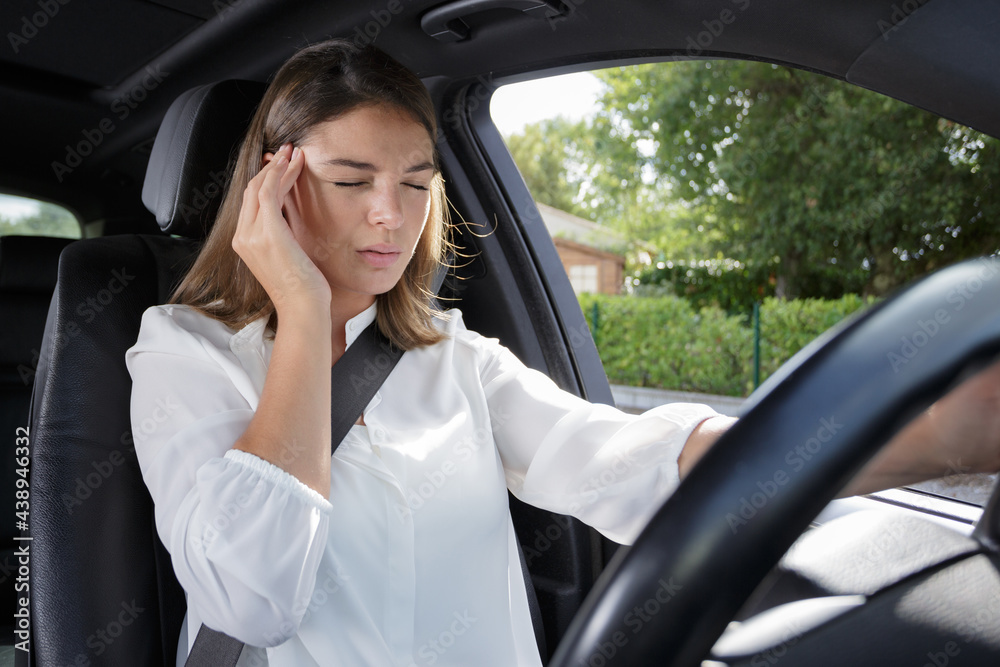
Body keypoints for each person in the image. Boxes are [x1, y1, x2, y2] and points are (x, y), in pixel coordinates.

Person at [126, 39, 1000, 666]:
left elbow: (638, 459)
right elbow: (251, 596)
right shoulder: (185, 353)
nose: (391, 215)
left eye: (417, 183)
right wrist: (305, 313)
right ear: (274, 181)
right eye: (351, 180)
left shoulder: (454, 358)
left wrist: (936, 440)